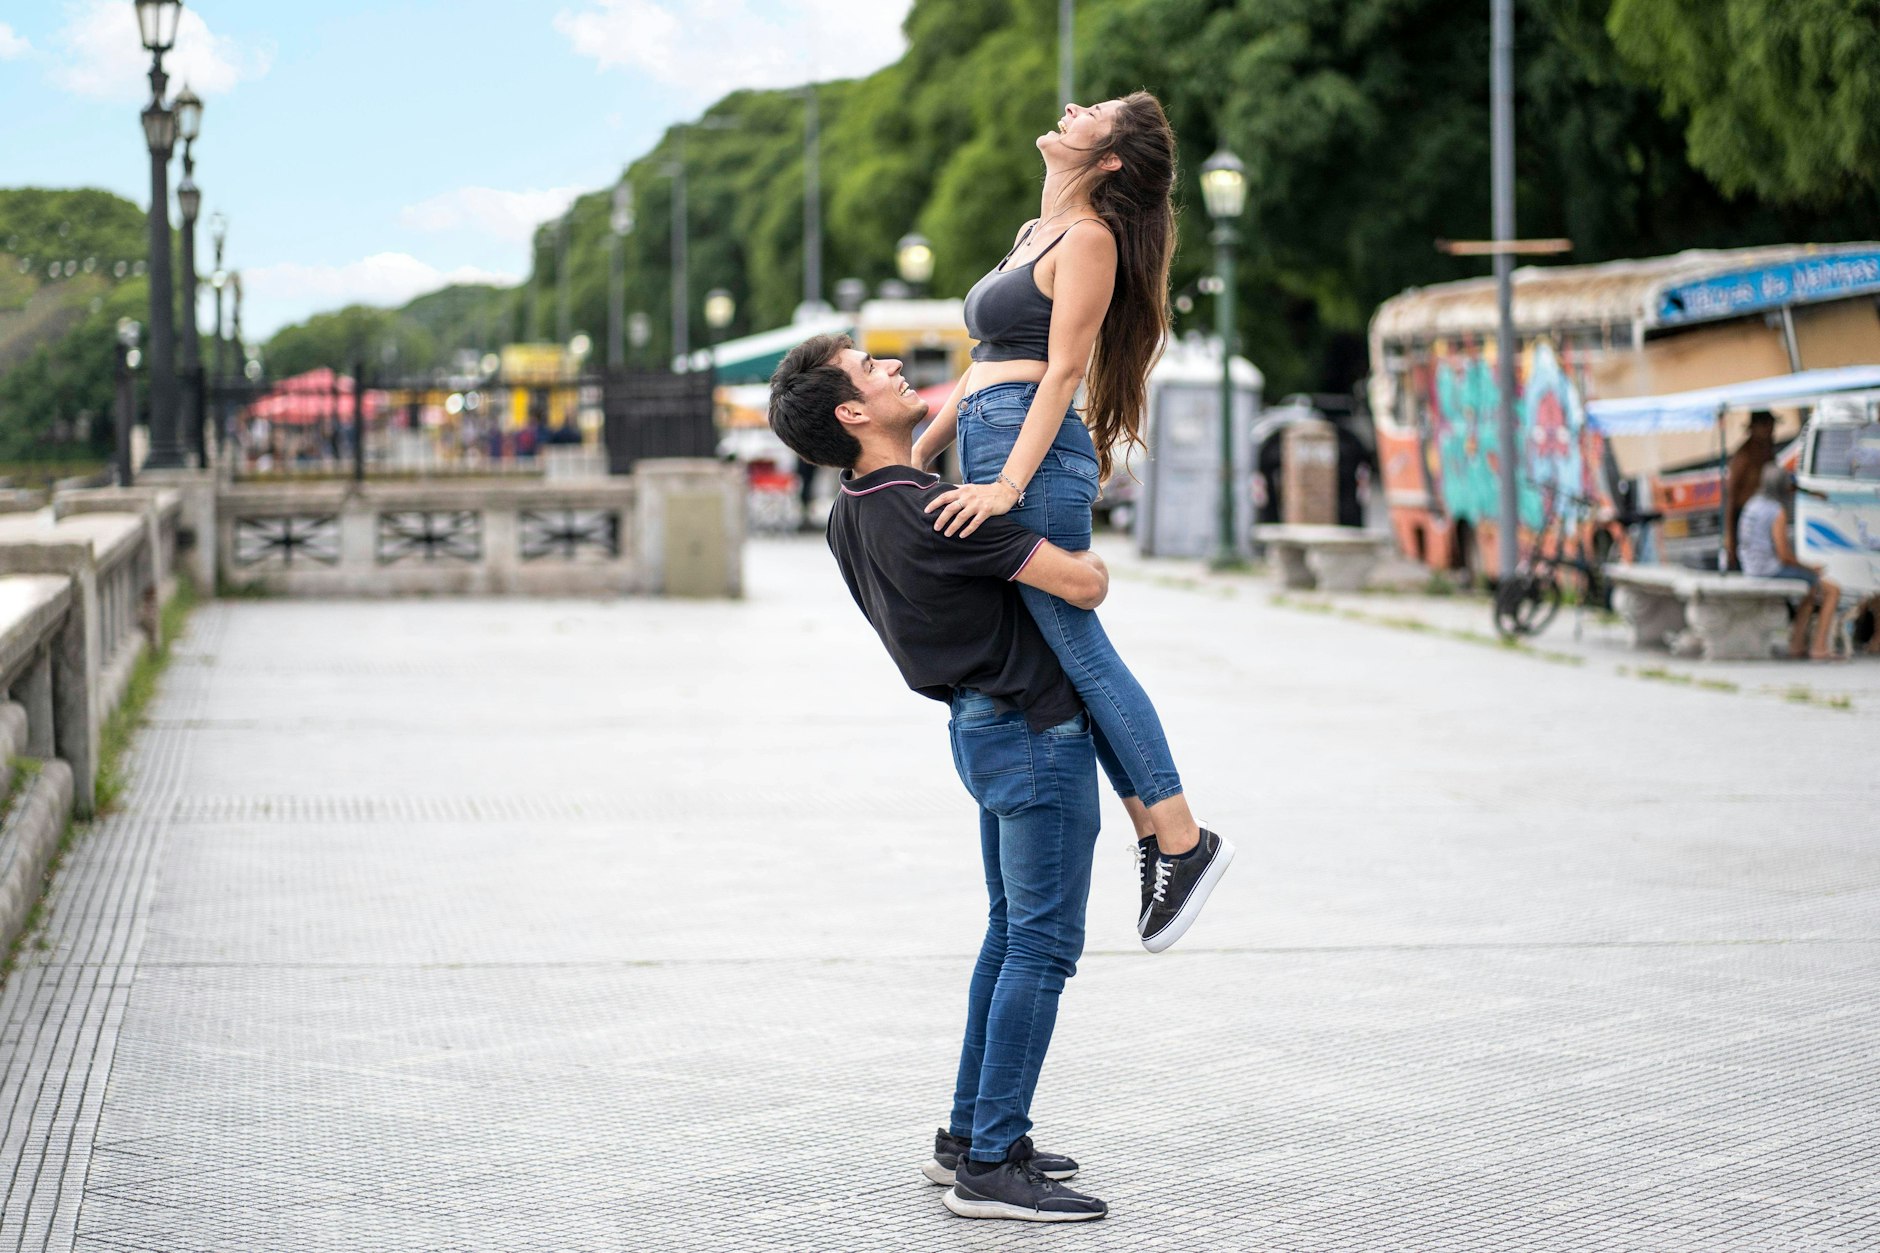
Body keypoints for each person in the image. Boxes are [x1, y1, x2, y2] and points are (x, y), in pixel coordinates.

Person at [770, 333, 1111, 1223]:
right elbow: (1083, 584)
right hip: (1033, 732)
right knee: (1042, 945)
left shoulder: (857, 506)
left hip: (978, 726)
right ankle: (992, 1165)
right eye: (869, 368)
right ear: (851, 412)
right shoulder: (937, 508)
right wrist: (1077, 544)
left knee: (1010, 935)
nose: (890, 367)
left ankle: (968, 1133)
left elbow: (912, 484)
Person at [910, 94, 1231, 952]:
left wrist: (1008, 486)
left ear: (1111, 158)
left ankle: (1182, 837)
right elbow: (981, 371)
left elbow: (1060, 375)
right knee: (1061, 651)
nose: (1069, 106)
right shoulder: (1032, 231)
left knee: (1077, 643)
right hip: (994, 439)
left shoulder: (1090, 240)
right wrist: (920, 451)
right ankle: (1163, 832)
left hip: (1035, 458)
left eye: (1094, 111)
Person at [1739, 463, 1841, 659]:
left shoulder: (1753, 504)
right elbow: (1783, 556)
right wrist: (1811, 568)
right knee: (1832, 590)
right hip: (1769, 569)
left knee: (1810, 591)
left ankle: (1797, 644)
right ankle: (1820, 647)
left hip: (1751, 567)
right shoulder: (1776, 511)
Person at [1724, 412, 1778, 571]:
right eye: (1767, 427)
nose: (1771, 431)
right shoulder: (1744, 456)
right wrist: (1729, 538)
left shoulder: (1767, 451)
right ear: (1755, 428)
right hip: (1745, 515)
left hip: (1765, 512)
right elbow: (1730, 496)